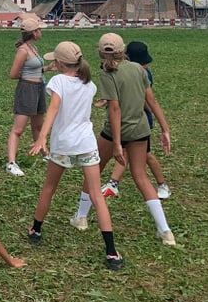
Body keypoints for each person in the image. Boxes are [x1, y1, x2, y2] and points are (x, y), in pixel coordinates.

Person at [69, 33, 176, 247]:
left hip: (114, 132)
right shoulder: (138, 69)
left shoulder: (107, 74)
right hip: (140, 130)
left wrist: (117, 142)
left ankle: (81, 218)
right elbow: (151, 100)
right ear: (123, 50)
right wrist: (165, 129)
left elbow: (115, 109)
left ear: (100, 51)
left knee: (94, 170)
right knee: (141, 177)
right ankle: (165, 231)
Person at [26, 41, 124, 270]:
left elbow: (53, 109)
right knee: (97, 196)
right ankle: (111, 252)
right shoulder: (89, 84)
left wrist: (42, 137)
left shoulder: (58, 81)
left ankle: (36, 230)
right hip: (87, 144)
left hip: (63, 146)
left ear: (59, 63)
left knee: (49, 187)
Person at [101, 40, 171, 200]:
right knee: (124, 152)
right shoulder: (131, 71)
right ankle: (113, 183)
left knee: (145, 155)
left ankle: (162, 184)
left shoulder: (141, 72)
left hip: (140, 119)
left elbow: (147, 100)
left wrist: (133, 105)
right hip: (131, 118)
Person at [5, 17, 48, 177]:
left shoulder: (33, 48)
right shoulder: (23, 50)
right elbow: (13, 74)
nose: (41, 32)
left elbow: (34, 69)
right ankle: (11, 163)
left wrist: (46, 68)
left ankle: (45, 154)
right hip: (27, 89)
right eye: (39, 30)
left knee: (38, 126)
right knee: (18, 129)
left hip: (38, 88)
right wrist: (30, 77)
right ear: (33, 33)